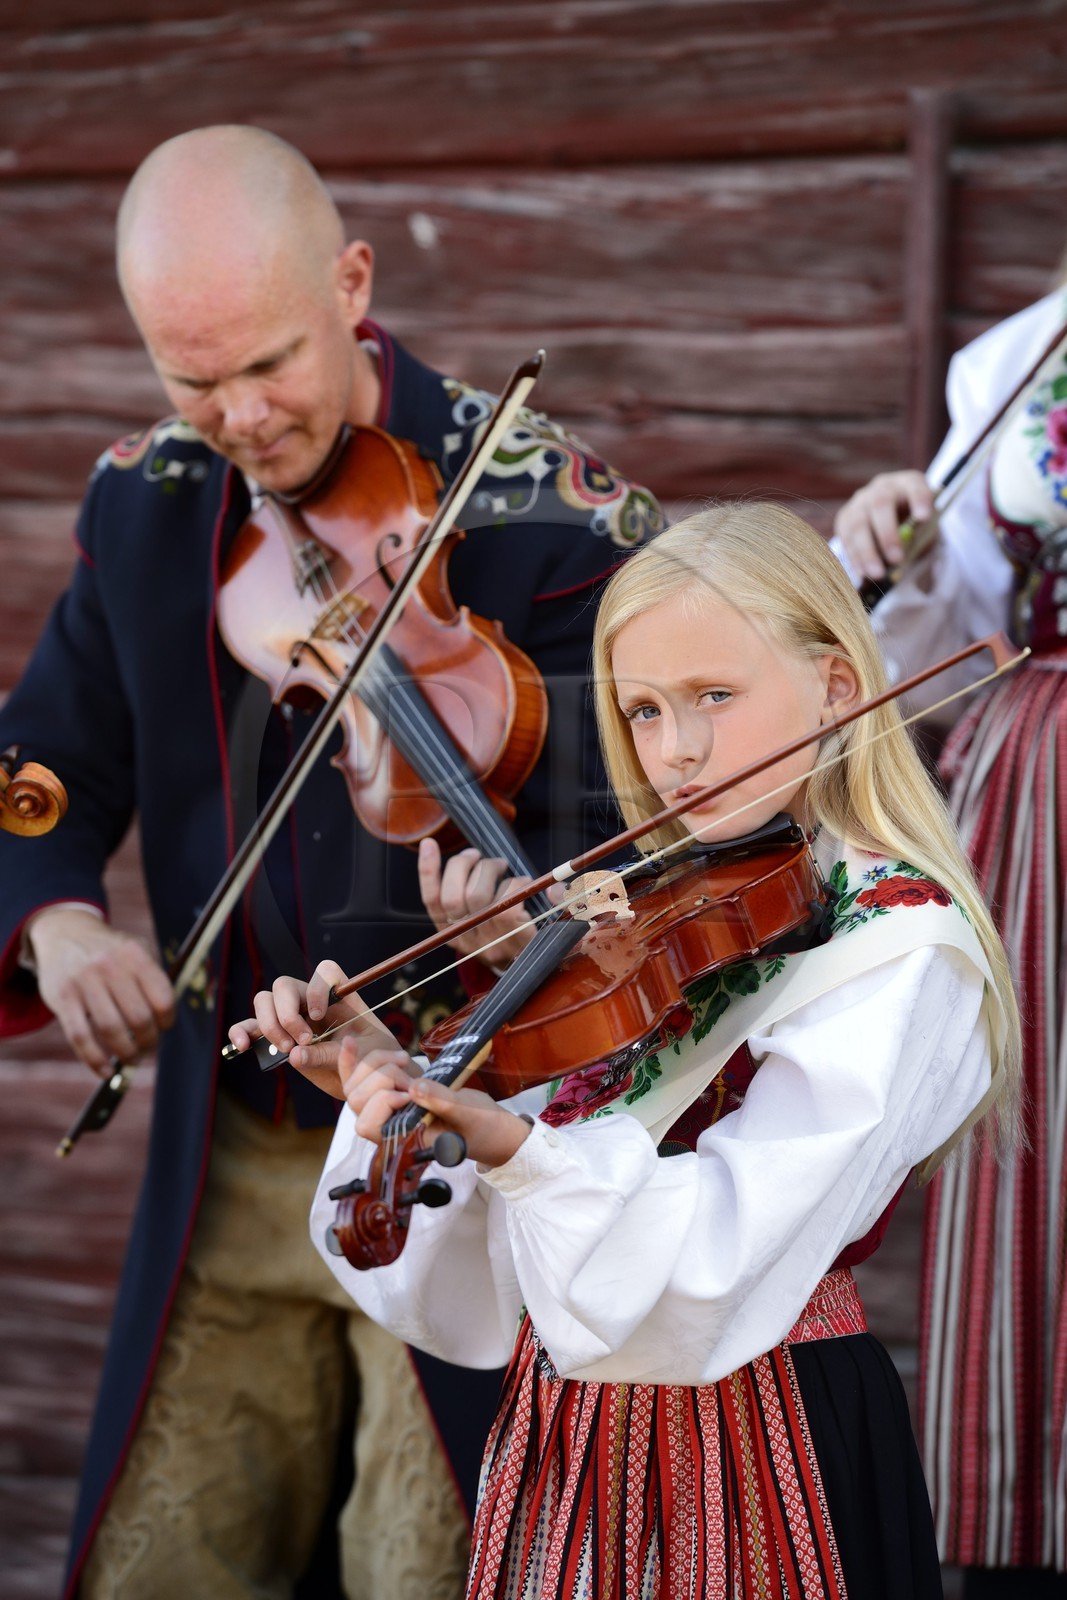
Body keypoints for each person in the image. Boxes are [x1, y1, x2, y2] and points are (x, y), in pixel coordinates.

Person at [0, 124, 663, 1600]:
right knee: (164, 1560)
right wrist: (53, 921)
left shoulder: (545, 512)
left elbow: (653, 818)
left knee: (419, 1565)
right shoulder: (148, 504)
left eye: (268, 365)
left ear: (353, 283)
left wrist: (521, 918)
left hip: (455, 1151)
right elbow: (43, 765)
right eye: (190, 377)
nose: (233, 415)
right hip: (232, 1149)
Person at [241, 503, 1020, 1599]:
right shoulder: (641, 924)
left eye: (713, 696)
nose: (676, 751)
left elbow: (717, 1245)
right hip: (569, 1435)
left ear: (839, 687)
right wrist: (398, 1079)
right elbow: (507, 1267)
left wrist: (515, 1141)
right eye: (643, 711)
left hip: (762, 1429)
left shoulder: (899, 942)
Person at [834, 278, 1067, 1597]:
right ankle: (1020, 1541)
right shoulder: (1016, 361)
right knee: (1021, 1149)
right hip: (1030, 786)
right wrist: (901, 549)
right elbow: (944, 629)